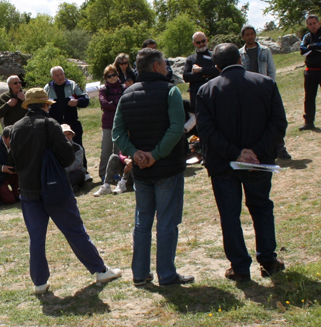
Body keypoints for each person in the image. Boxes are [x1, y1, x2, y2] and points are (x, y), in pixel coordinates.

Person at [8, 88, 122, 294]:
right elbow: (68, 157)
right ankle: (100, 270)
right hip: (55, 189)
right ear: (45, 105)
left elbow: (12, 159)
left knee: (36, 239)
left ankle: (39, 283)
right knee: (75, 231)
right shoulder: (50, 124)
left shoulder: (15, 127)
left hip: (28, 190)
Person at [196, 43, 289, 281]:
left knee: (229, 214)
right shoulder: (265, 83)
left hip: (223, 163)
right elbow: (278, 124)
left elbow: (206, 131)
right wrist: (253, 151)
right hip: (258, 160)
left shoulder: (207, 90)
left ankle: (239, 267)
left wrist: (236, 153)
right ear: (240, 59)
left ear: (216, 65)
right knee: (261, 207)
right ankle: (268, 259)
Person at [113, 47, 192, 287]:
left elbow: (117, 134)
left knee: (142, 223)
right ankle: (166, 275)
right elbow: (177, 128)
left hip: (142, 170)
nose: (167, 68)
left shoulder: (126, 95)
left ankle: (140, 274)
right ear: (157, 66)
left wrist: (136, 154)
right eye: (165, 65)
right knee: (167, 222)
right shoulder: (171, 92)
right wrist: (154, 155)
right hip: (166, 168)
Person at [240, 25, 290, 160]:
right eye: (247, 34)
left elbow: (271, 70)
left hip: (264, 90)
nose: (250, 36)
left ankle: (280, 148)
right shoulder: (240, 53)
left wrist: (270, 87)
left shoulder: (265, 51)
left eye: (252, 34)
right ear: (243, 37)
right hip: (248, 92)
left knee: (272, 119)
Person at [44, 66, 90, 168]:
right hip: (56, 125)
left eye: (62, 74)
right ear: (52, 77)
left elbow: (86, 100)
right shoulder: (47, 88)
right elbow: (43, 105)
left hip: (72, 123)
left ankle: (83, 169)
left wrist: (77, 101)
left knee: (77, 146)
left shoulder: (72, 85)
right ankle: (62, 171)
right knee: (59, 148)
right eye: (57, 75)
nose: (61, 77)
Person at [97, 63, 124, 179]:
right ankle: (103, 174)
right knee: (106, 150)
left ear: (117, 75)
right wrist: (116, 106)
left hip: (121, 123)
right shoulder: (103, 89)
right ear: (105, 78)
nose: (112, 78)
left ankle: (116, 173)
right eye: (109, 76)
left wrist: (113, 104)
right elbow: (103, 103)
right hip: (108, 123)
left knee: (119, 151)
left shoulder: (124, 88)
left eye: (114, 75)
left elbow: (126, 102)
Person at [182, 32, 219, 114]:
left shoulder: (215, 56)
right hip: (197, 96)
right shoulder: (191, 59)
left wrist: (200, 70)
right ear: (194, 44)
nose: (201, 44)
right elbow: (186, 77)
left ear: (207, 40)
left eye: (203, 41)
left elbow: (218, 71)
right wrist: (205, 74)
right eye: (198, 42)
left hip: (214, 93)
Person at [61, 124, 88, 192]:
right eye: (64, 134)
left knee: (79, 173)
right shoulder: (54, 149)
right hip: (61, 175)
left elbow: (75, 165)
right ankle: (70, 188)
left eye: (69, 134)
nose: (67, 137)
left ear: (72, 135)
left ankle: (64, 189)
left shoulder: (78, 148)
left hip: (72, 174)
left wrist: (62, 168)